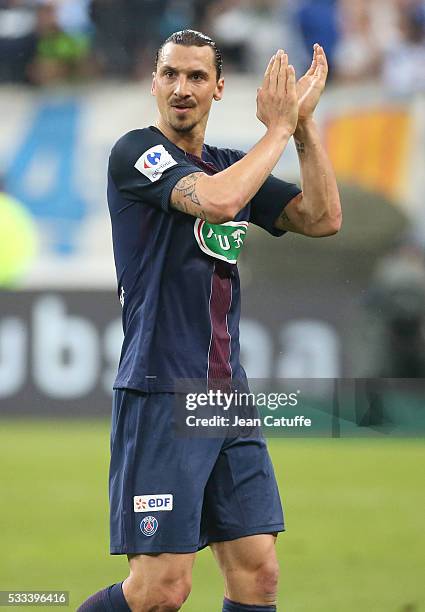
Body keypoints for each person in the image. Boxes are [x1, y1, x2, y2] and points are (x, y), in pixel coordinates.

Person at [78, 29, 341, 612]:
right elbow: (219, 202)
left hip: (227, 396)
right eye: (170, 73)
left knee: (259, 574)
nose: (181, 87)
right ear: (152, 83)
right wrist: (274, 130)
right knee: (160, 591)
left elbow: (322, 218)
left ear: (219, 88)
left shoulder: (229, 164)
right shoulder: (136, 153)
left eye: (197, 76)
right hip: (162, 388)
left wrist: (301, 126)